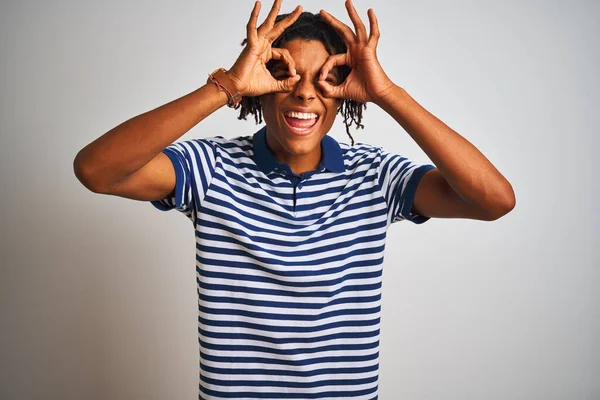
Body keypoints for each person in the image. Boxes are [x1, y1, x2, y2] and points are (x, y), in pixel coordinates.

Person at [73, 0, 515, 398]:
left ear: (346, 89)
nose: (305, 92)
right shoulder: (210, 167)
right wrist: (226, 84)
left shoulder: (375, 175)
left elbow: (494, 200)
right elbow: (97, 170)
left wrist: (387, 94)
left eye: (324, 78)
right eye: (285, 75)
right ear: (261, 83)